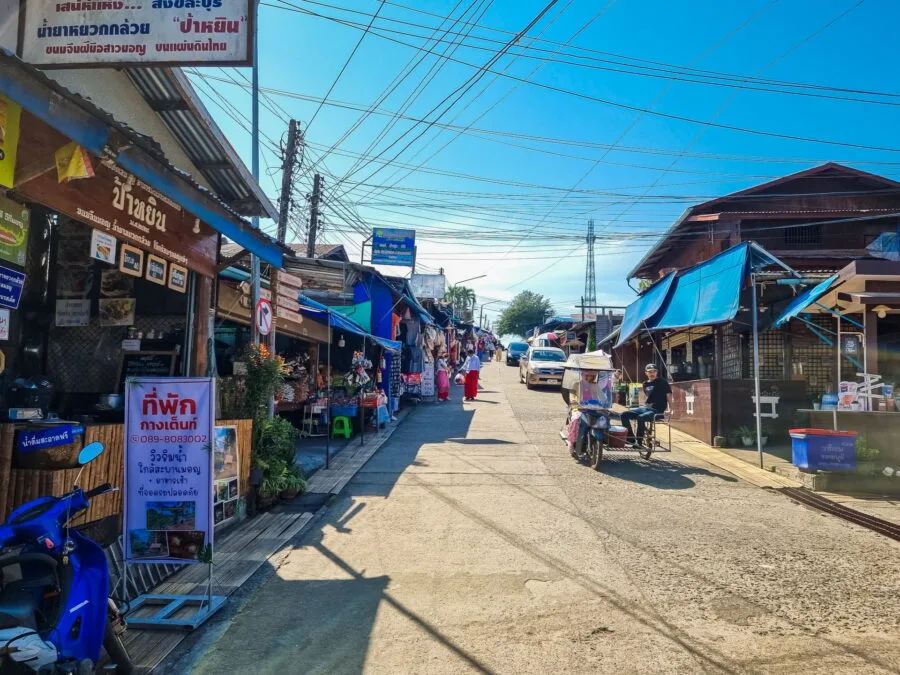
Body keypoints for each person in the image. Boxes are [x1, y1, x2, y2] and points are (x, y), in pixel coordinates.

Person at [621, 364, 673, 447]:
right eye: (650, 372)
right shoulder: (645, 384)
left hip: (657, 410)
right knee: (624, 415)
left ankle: (639, 442)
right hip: (646, 408)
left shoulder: (663, 382)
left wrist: (671, 409)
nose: (652, 374)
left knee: (641, 417)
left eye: (654, 371)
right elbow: (646, 397)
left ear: (657, 372)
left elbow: (669, 395)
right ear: (646, 373)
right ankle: (630, 439)